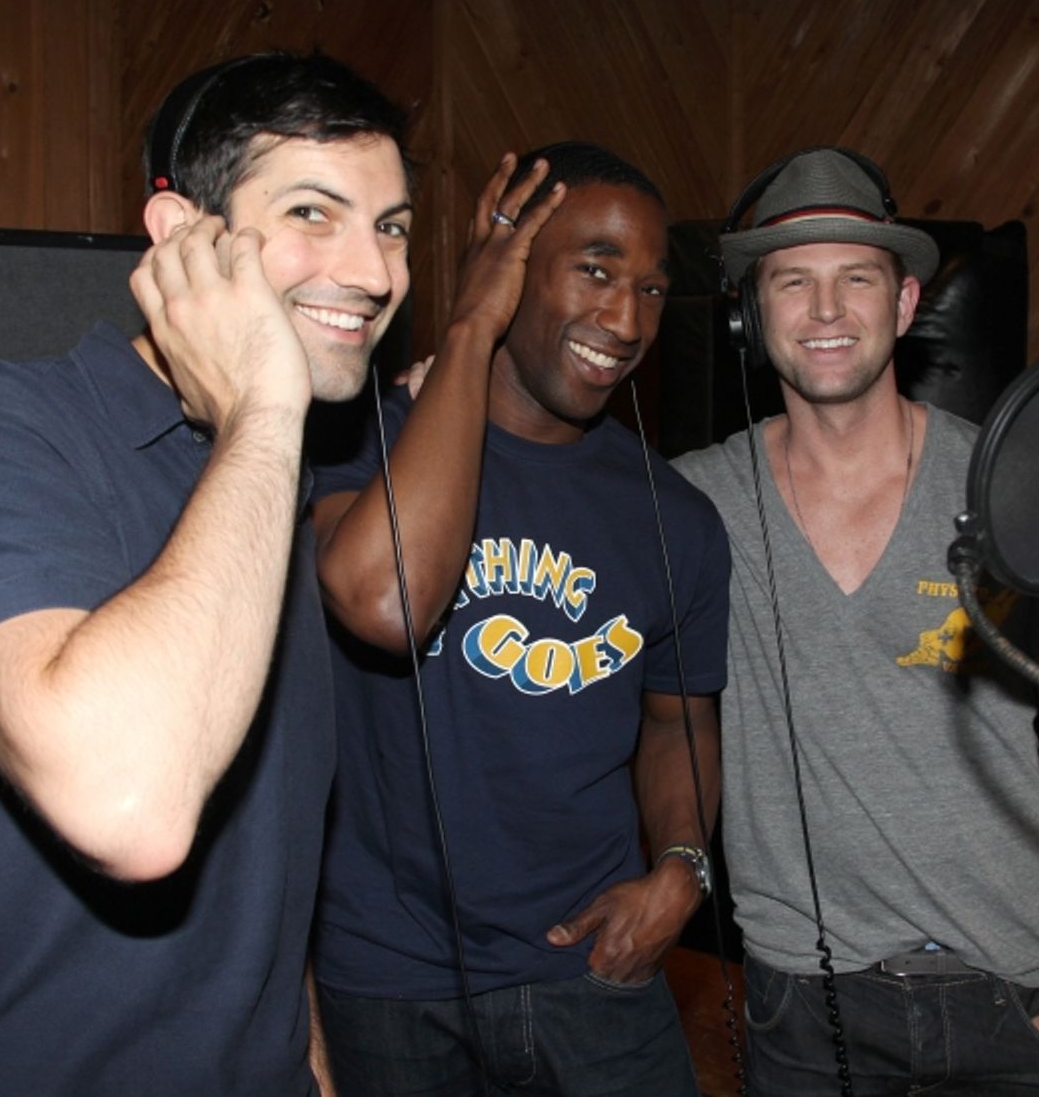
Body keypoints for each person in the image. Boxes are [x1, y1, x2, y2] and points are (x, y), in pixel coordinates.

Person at [0, 51, 412, 1096]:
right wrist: (264, 409)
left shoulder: (279, 481)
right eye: (315, 212)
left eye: (393, 225)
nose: (376, 271)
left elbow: (261, 870)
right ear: (181, 241)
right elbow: (133, 806)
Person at [307, 141, 731, 1097]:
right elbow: (384, 597)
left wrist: (682, 870)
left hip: (594, 970)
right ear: (510, 266)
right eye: (594, 269)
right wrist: (469, 325)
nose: (625, 320)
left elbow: (680, 721)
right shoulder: (349, 445)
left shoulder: (679, 521)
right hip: (389, 983)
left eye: (654, 290)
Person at [673, 147, 1039, 1095]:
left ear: (903, 306)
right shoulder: (690, 509)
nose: (825, 314)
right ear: (748, 313)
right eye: (793, 284)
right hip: (805, 1012)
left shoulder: (1018, 493)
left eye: (855, 280)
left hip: (1017, 996)